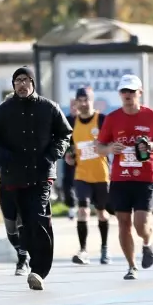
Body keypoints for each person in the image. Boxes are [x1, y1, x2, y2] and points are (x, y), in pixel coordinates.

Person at [0, 67, 72, 291]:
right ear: (13, 85)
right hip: (14, 175)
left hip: (41, 174)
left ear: (33, 83)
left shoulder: (49, 108)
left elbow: (64, 134)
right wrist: (5, 158)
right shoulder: (3, 111)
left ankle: (39, 271)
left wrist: (51, 155)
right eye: (17, 81)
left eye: (25, 80)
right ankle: (23, 250)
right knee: (17, 225)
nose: (21, 84)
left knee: (37, 218)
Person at [94, 74, 153, 280]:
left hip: (145, 176)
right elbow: (98, 147)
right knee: (123, 223)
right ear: (120, 94)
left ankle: (147, 242)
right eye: (124, 91)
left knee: (140, 224)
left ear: (140, 93)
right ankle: (131, 265)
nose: (128, 95)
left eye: (131, 91)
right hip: (120, 177)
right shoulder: (112, 118)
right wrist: (110, 147)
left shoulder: (150, 115)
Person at [64, 87, 111, 265]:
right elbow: (68, 148)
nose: (83, 104)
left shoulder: (102, 120)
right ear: (76, 102)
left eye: (86, 100)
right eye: (80, 101)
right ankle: (83, 250)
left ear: (92, 101)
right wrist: (68, 156)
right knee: (82, 211)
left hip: (101, 174)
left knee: (102, 213)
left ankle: (104, 248)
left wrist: (104, 147)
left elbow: (112, 141)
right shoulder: (71, 122)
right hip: (81, 174)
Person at [60, 97, 78, 219]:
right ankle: (72, 207)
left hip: (84, 155)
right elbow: (61, 138)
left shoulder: (84, 120)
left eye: (75, 105)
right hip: (70, 155)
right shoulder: (66, 120)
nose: (74, 108)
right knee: (68, 183)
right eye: (72, 105)